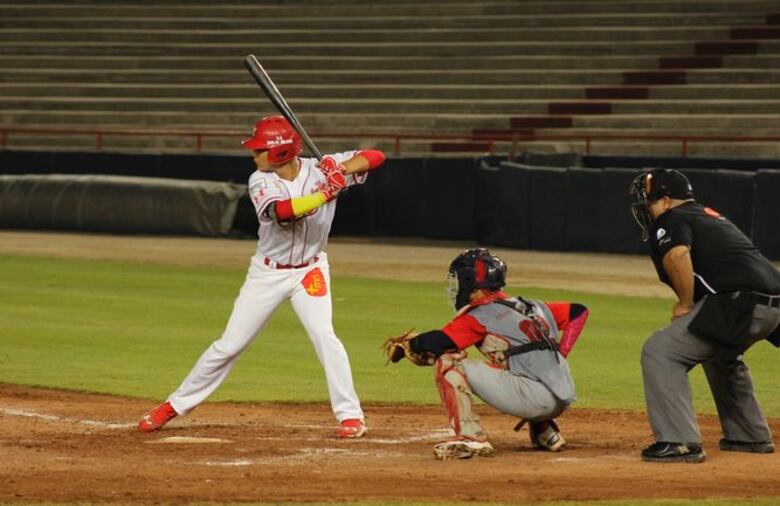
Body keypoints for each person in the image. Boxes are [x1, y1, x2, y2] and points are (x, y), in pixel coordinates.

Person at [138, 115, 386, 438]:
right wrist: (326, 192)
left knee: (325, 336)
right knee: (229, 345)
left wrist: (340, 169)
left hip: (310, 270)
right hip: (267, 273)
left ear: (280, 152)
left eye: (260, 150)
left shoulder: (320, 168)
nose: (254, 155)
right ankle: (172, 406)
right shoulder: (260, 180)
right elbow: (281, 212)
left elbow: (377, 156)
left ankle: (350, 416)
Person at [629, 168, 780, 463]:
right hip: (772, 303)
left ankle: (680, 442)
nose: (645, 207)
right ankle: (749, 435)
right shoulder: (707, 215)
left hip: (742, 304)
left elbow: (677, 255)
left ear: (666, 199)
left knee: (660, 352)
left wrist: (685, 303)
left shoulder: (672, 218)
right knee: (719, 355)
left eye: (648, 200)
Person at [383, 248, 589, 460]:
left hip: (533, 399)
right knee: (513, 360)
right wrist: (560, 355)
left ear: (470, 282)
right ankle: (545, 431)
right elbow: (579, 311)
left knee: (450, 362)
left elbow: (440, 343)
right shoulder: (532, 306)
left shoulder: (480, 315)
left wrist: (412, 344)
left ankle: (471, 437)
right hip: (563, 395)